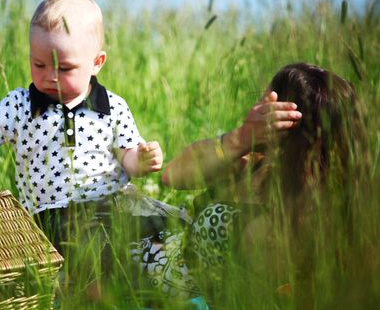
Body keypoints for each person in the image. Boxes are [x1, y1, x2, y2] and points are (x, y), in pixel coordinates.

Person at [0, 0, 164, 300]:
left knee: (152, 241)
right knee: (89, 264)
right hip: (51, 219)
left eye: (64, 68)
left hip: (111, 208)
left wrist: (142, 159)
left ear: (96, 63)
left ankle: (155, 292)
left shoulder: (111, 106)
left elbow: (127, 156)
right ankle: (98, 297)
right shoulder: (23, 104)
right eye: (38, 64)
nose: (50, 77)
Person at [133, 63, 367, 308]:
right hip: (157, 244)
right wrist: (240, 138)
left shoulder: (308, 219)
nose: (254, 109)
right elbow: (173, 175)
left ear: (284, 121)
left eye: (264, 105)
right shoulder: (253, 162)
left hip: (166, 292)